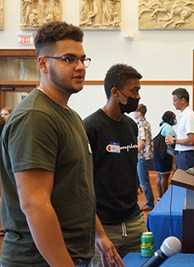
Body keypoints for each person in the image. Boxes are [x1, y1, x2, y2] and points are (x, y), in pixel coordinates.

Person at [0, 21, 96, 266]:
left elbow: (77, 188)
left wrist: (100, 237)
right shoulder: (36, 117)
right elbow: (35, 204)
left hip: (70, 255)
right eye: (68, 59)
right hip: (39, 260)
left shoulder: (69, 115)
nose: (79, 67)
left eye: (82, 59)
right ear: (43, 63)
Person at [84, 63, 147, 266]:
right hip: (104, 226)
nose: (138, 96)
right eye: (134, 91)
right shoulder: (90, 127)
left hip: (134, 220)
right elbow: (82, 181)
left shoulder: (130, 125)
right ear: (115, 92)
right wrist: (97, 231)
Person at [165, 88, 194, 171]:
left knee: (185, 183)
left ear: (183, 100)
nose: (173, 103)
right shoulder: (184, 115)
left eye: (175, 100)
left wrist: (174, 140)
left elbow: (191, 141)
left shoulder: (189, 115)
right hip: (182, 155)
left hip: (187, 156)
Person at [133, 103, 155, 211]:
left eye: (135, 111)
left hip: (142, 157)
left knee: (144, 181)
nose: (133, 113)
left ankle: (150, 203)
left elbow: (141, 142)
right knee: (139, 180)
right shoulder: (146, 123)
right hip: (146, 156)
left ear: (139, 113)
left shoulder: (141, 125)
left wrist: (133, 154)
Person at [153, 111, 176, 199]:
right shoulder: (169, 128)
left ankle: (160, 198)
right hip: (165, 155)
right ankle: (165, 199)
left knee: (159, 176)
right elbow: (170, 142)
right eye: (174, 118)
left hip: (157, 155)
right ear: (170, 119)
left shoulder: (162, 126)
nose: (175, 120)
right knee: (165, 177)